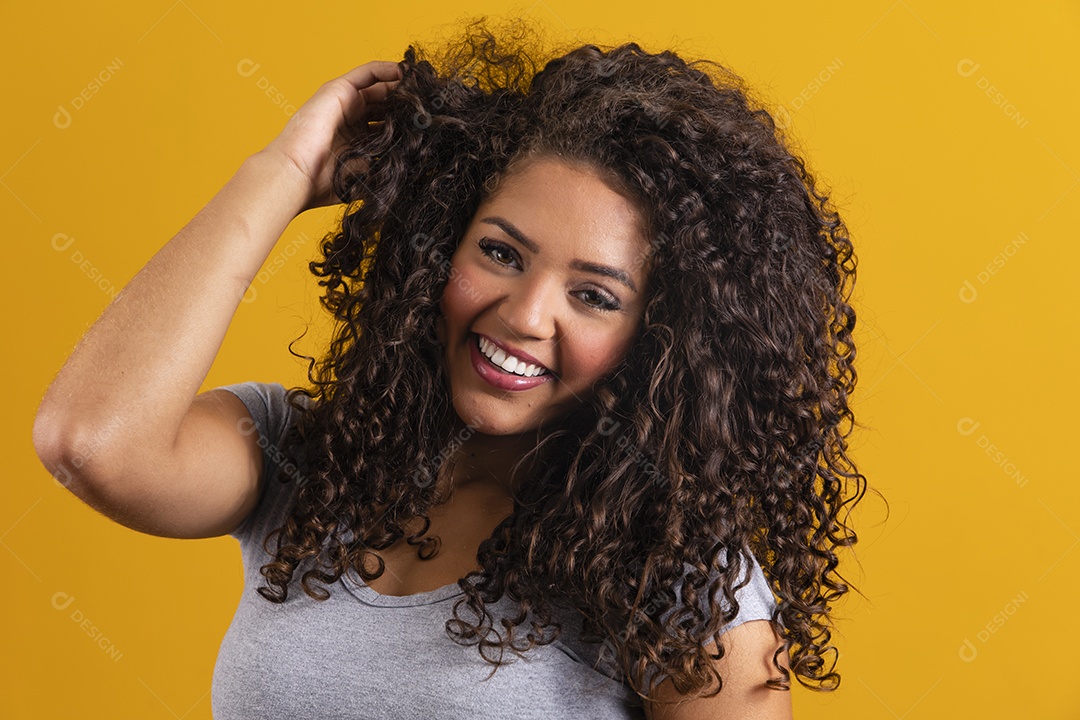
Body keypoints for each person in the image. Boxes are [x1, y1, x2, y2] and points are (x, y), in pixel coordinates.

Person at [32, 16, 867, 720]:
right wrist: (281, 175)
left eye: (596, 296)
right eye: (501, 252)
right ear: (440, 247)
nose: (525, 314)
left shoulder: (675, 569)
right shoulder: (305, 464)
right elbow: (90, 443)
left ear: (660, 342)